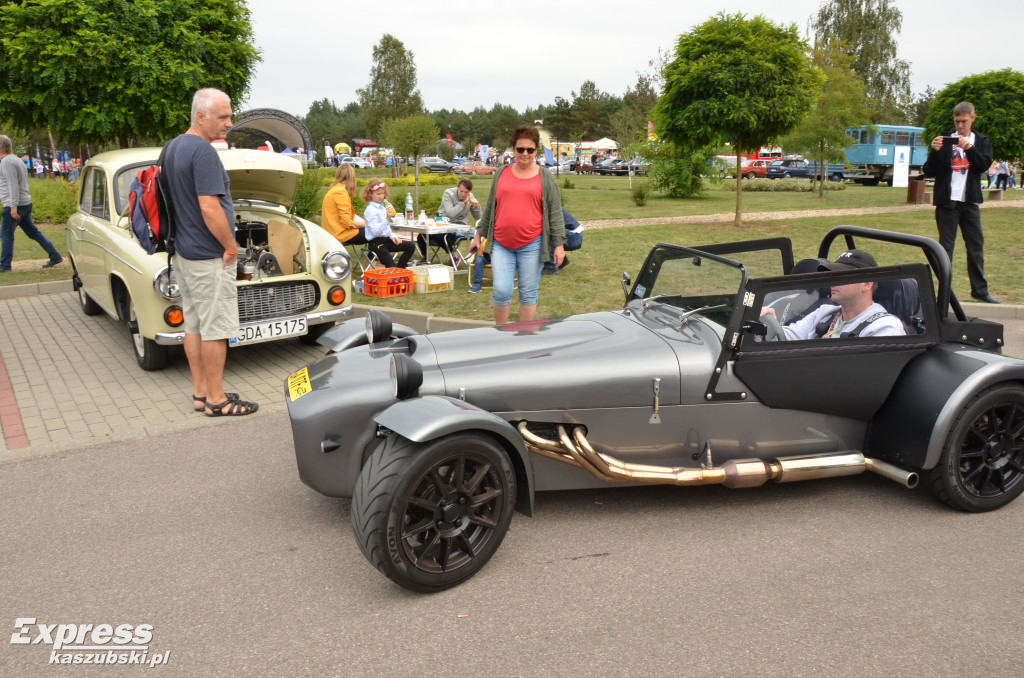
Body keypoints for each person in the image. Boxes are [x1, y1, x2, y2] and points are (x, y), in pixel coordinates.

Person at [163, 88, 257, 417]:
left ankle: (201, 393)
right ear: (201, 117)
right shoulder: (203, 152)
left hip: (184, 253)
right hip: (207, 255)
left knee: (194, 326)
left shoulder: (172, 147)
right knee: (216, 328)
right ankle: (217, 399)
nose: (229, 123)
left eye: (230, 116)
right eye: (223, 117)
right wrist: (231, 246)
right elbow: (209, 207)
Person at [470, 125, 565, 324]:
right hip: (501, 244)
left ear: (536, 151)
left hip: (532, 244)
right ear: (513, 149)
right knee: (502, 290)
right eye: (520, 149)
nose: (525, 154)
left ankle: (524, 338)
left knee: (528, 293)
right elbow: (490, 207)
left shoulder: (545, 177)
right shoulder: (501, 173)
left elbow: (555, 214)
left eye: (530, 150)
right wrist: (478, 235)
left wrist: (559, 245)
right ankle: (502, 335)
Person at [922, 101, 999, 304]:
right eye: (957, 121)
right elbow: (928, 171)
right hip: (947, 203)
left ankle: (980, 291)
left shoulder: (981, 140)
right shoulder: (946, 139)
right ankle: (944, 293)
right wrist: (935, 151)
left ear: (973, 118)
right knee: (945, 249)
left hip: (969, 201)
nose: (960, 126)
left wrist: (970, 149)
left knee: (976, 246)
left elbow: (983, 165)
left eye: (964, 121)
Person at [760, 249, 905, 340]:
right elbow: (786, 338)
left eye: (842, 275)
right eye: (833, 275)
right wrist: (769, 325)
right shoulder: (825, 313)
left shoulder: (885, 328)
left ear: (867, 284)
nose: (833, 281)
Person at [0, 134, 63, 272]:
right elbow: (10, 185)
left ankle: (4, 266)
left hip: (15, 205)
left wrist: (13, 207)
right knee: (33, 233)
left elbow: (13, 185)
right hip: (25, 203)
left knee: (5, 235)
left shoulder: (6, 162)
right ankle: (55, 255)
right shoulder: (16, 160)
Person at [418, 178, 481, 263]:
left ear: (469, 192)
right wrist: (462, 203)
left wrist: (477, 208)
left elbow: (478, 217)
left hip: (459, 224)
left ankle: (453, 256)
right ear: (457, 188)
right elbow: (450, 213)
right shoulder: (448, 193)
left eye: (466, 192)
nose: (463, 194)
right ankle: (426, 258)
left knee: (440, 235)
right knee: (422, 235)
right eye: (461, 191)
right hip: (443, 221)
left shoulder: (471, 197)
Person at [361, 180, 414, 268]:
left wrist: (393, 236)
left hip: (386, 240)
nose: (381, 196)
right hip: (376, 243)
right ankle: (395, 271)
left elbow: (386, 228)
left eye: (382, 193)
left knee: (411, 246)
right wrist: (387, 219)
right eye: (378, 194)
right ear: (370, 194)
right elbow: (375, 232)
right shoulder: (370, 210)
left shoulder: (382, 207)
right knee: (391, 267)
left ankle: (400, 269)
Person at [320, 164, 367, 246]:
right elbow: (347, 222)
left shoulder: (335, 189)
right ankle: (373, 258)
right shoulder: (340, 192)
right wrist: (365, 224)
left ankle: (373, 258)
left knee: (375, 231)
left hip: (332, 232)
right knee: (376, 231)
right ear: (351, 177)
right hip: (339, 234)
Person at [541, 208, 583, 275]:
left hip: (574, 236)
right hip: (571, 234)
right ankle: (561, 260)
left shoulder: (545, 205)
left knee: (546, 230)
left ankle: (550, 268)